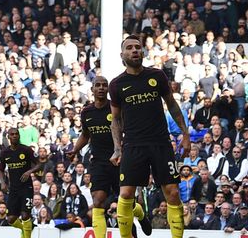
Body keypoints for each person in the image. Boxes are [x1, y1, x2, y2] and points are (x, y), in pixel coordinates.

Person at [109, 35, 190, 238]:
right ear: (122, 55)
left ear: (143, 52)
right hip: (133, 145)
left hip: (161, 143)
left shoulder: (157, 75)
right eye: (130, 48)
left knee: (172, 192)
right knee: (126, 194)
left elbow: (171, 104)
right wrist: (117, 148)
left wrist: (185, 133)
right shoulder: (117, 84)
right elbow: (116, 120)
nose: (135, 50)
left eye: (138, 47)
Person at [69, 76, 152, 237]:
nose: (101, 88)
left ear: (108, 89)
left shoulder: (116, 108)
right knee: (98, 202)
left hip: (121, 160)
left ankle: (140, 213)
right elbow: (86, 135)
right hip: (99, 162)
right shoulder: (87, 112)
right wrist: (75, 149)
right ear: (92, 89)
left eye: (104, 85)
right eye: (97, 85)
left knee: (125, 202)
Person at [0, 128, 44, 238]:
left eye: (16, 134)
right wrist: (3, 183)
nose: (14, 136)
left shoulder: (26, 150)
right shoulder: (5, 153)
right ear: (8, 137)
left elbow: (39, 163)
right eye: (12, 134)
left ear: (19, 136)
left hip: (26, 187)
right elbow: (0, 170)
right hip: (13, 189)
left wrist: (29, 171)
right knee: (10, 219)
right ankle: (27, 229)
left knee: (25, 215)